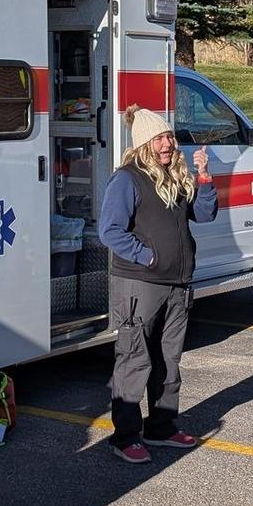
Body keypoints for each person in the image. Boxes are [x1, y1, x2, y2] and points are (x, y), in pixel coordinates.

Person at [98, 105, 218, 463]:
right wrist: (146, 255)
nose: (168, 144)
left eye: (170, 136)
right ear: (145, 142)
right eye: (161, 138)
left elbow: (206, 213)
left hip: (178, 284)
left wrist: (204, 176)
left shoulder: (176, 177)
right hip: (139, 284)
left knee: (169, 359)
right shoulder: (127, 179)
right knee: (135, 359)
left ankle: (162, 426)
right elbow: (109, 231)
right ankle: (125, 436)